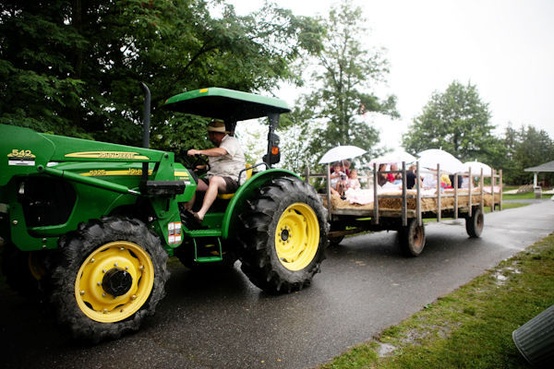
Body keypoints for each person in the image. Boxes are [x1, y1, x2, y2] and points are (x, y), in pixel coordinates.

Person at [186, 119, 245, 222]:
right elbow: (215, 164)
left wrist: (199, 151)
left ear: (215, 134)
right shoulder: (215, 148)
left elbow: (222, 152)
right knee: (192, 181)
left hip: (233, 179)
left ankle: (200, 214)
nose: (210, 137)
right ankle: (187, 212)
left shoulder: (231, 141)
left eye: (211, 134)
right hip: (214, 177)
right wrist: (201, 167)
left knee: (215, 180)